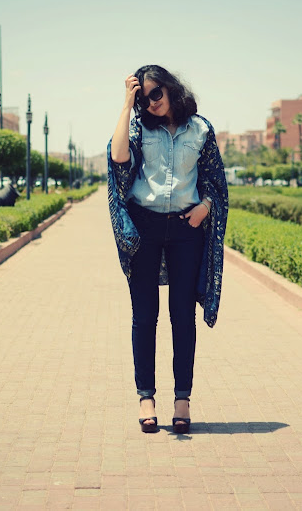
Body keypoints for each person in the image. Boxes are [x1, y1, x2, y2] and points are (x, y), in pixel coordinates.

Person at [107, 65, 228, 434]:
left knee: (181, 317)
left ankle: (182, 401)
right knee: (145, 317)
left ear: (171, 89)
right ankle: (146, 398)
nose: (151, 102)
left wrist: (204, 208)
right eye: (144, 97)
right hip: (145, 228)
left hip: (185, 229)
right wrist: (127, 106)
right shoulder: (139, 128)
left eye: (155, 93)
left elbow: (214, 181)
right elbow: (118, 159)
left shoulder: (201, 129)